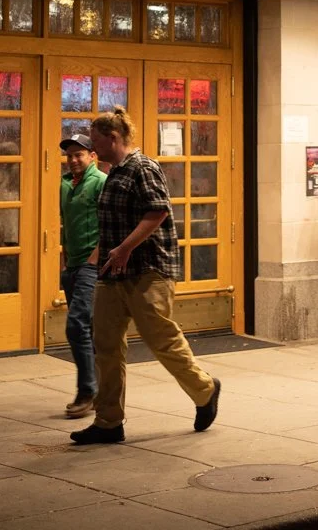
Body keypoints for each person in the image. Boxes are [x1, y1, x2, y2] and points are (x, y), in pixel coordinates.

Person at [72, 107, 219, 444]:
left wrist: (124, 248)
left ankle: (205, 390)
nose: (92, 149)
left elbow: (157, 212)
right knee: (105, 346)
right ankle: (109, 422)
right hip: (113, 274)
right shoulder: (114, 173)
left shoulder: (143, 168)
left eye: (95, 141)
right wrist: (96, 260)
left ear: (113, 138)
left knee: (161, 338)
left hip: (149, 270)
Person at [58, 133, 107, 419]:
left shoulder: (100, 182)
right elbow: (66, 223)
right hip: (72, 265)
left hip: (92, 264)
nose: (74, 159)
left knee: (76, 326)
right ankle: (100, 390)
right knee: (87, 330)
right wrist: (65, 262)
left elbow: (109, 224)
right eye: (69, 155)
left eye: (79, 154)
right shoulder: (66, 184)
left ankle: (87, 391)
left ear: (92, 156)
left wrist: (94, 259)